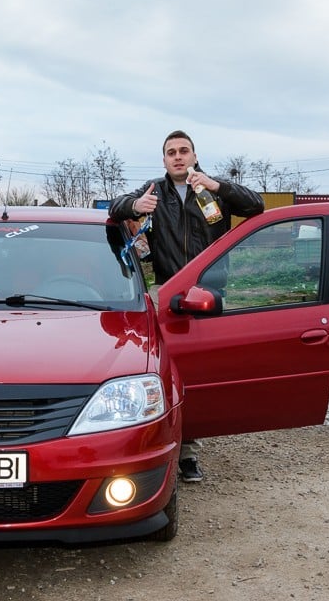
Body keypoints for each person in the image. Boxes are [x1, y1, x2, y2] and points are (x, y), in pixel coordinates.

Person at [108, 130, 264, 482]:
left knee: (200, 374)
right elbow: (116, 207)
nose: (177, 157)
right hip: (169, 294)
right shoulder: (154, 191)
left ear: (194, 155)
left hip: (208, 294)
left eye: (183, 151)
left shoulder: (211, 189)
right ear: (163, 160)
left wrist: (218, 185)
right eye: (170, 152)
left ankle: (190, 454)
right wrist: (135, 207)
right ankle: (162, 447)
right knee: (168, 372)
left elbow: (256, 205)